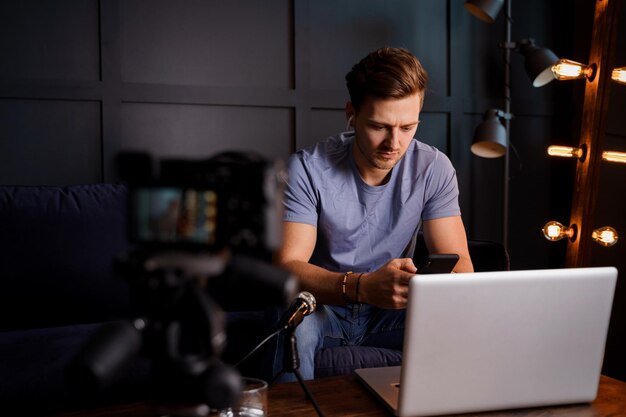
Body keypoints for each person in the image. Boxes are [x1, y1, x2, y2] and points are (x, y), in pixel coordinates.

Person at [271, 46, 473, 382]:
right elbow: (288, 268)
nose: (394, 143)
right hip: (322, 308)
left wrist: (431, 290)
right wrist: (362, 287)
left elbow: (461, 264)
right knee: (294, 325)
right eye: (379, 126)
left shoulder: (434, 168)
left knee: (468, 322)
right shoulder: (306, 169)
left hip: (392, 314)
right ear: (351, 113)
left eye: (408, 127)